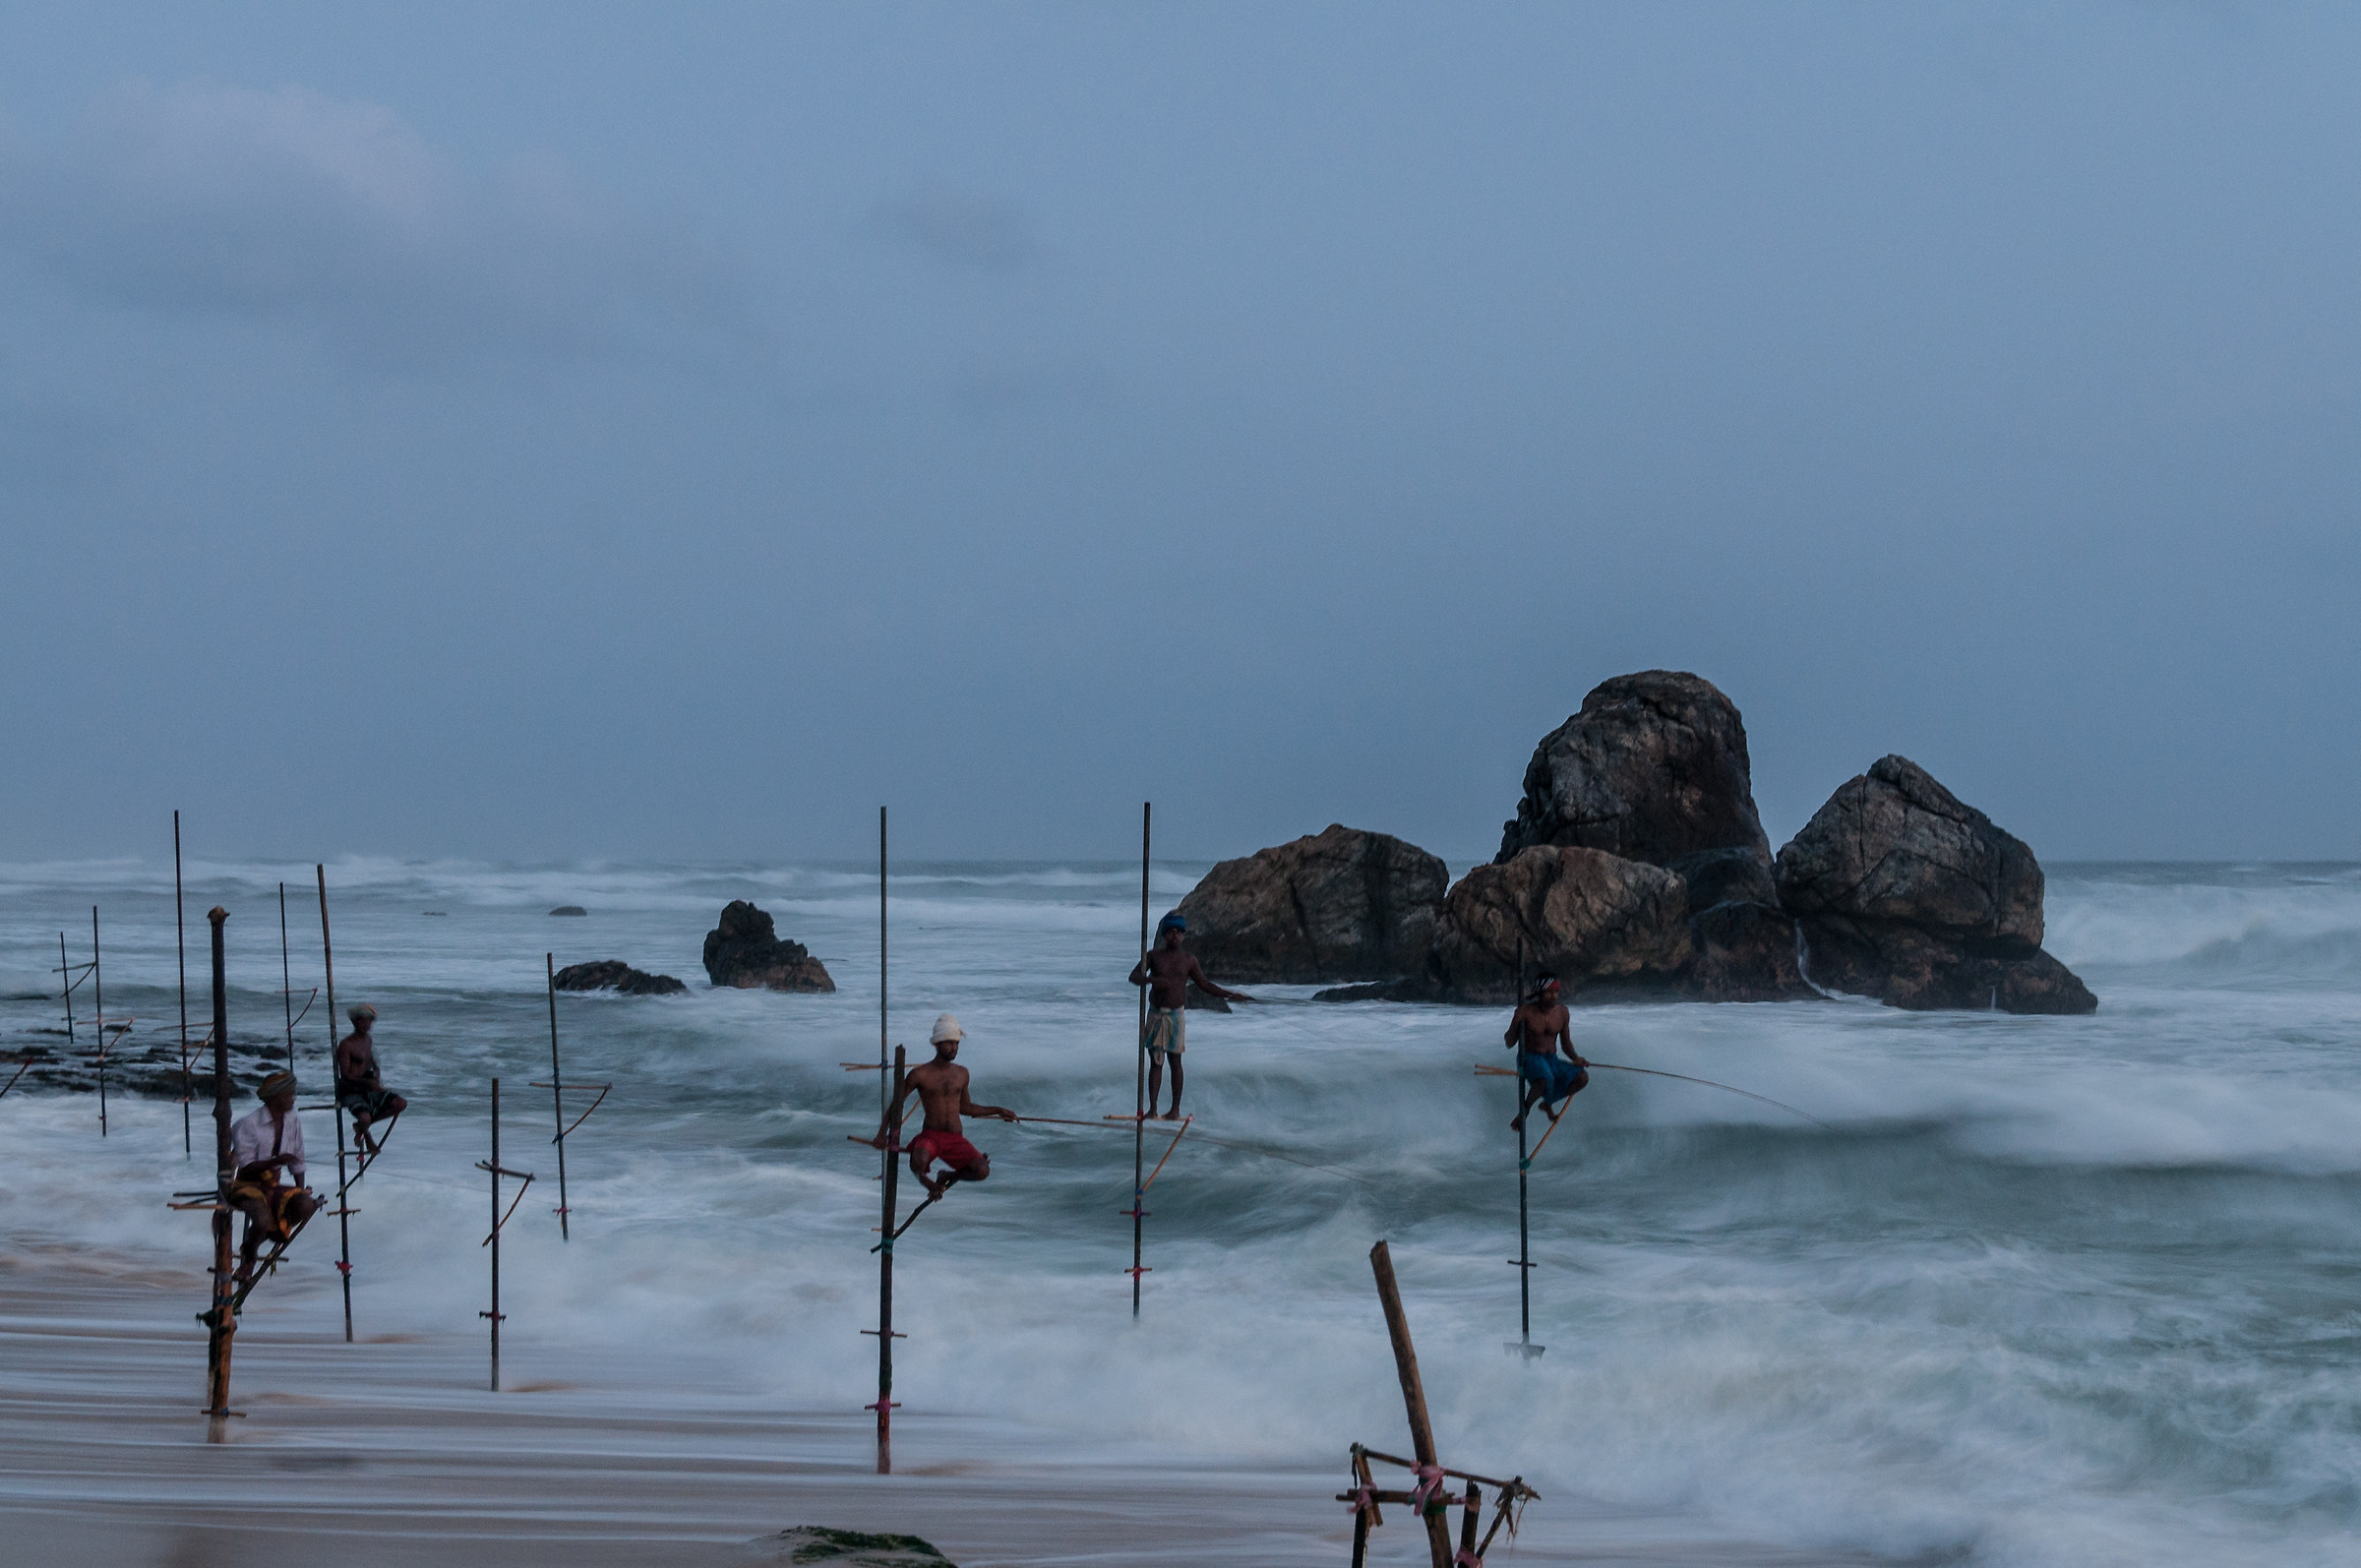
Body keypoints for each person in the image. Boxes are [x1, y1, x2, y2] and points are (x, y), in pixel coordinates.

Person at [871, 1013, 1016, 1201]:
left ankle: (947, 1176)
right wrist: (883, 1133)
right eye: (949, 1043)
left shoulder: (962, 1073)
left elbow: (965, 1108)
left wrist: (998, 1110)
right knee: (918, 1160)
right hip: (931, 1136)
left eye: (956, 1044)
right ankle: (930, 1185)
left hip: (955, 1138)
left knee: (982, 1170)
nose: (954, 1048)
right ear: (937, 1044)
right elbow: (897, 1105)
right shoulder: (920, 1074)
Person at [1126, 912, 1254, 1119]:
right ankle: (1153, 1108)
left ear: (1184, 935)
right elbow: (1133, 977)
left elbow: (1204, 985)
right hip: (1156, 1013)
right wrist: (1152, 981)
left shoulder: (1188, 960)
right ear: (1164, 934)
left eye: (1178, 932)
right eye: (1170, 932)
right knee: (1156, 1062)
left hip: (1176, 1014)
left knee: (1175, 1061)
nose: (1174, 936)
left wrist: (1231, 995)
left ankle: (1175, 1109)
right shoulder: (1153, 956)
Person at [226, 1070, 319, 1286]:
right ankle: (248, 1257)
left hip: (273, 1184)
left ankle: (266, 1237)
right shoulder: (248, 1124)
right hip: (246, 1183)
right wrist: (275, 1160)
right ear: (275, 1098)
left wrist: (300, 1189)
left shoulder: (292, 1119)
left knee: (306, 1205)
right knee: (260, 1220)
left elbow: (298, 1157)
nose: (293, 1099)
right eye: (289, 1095)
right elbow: (246, 1166)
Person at [1506, 973, 1589, 1131]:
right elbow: (1509, 1043)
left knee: (1582, 1077)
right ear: (1539, 992)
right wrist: (1517, 1022)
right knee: (1545, 1078)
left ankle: (1548, 1102)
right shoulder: (1525, 1012)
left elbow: (1566, 1044)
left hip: (1551, 1059)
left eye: (1556, 992)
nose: (1553, 996)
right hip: (1529, 1058)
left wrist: (1576, 1058)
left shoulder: (1562, 1012)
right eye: (1549, 992)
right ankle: (1525, 1111)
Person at [333, 1001, 407, 1155]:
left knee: (400, 1103)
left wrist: (376, 1073)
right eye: (363, 1020)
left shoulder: (368, 1040)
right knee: (364, 1117)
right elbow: (345, 1075)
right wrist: (367, 1082)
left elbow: (372, 1060)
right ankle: (366, 1135)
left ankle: (360, 1127)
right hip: (351, 1088)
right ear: (355, 1021)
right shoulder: (346, 1045)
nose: (367, 1024)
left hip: (368, 1085)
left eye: (369, 1020)